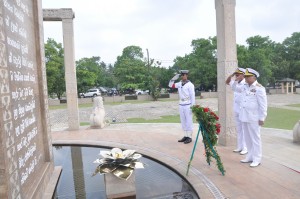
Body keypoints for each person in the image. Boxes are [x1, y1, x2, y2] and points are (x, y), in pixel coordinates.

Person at [232, 68, 267, 167]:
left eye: (248, 76)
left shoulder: (260, 89)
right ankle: (250, 156)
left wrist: (262, 118)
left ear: (254, 77)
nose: (246, 78)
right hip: (244, 116)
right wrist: (235, 80)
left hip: (254, 118)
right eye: (245, 76)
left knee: (255, 139)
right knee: (247, 138)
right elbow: (234, 88)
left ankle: (257, 158)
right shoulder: (244, 86)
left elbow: (263, 105)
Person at [168, 70, 195, 144]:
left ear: (187, 75)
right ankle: (185, 135)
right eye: (182, 75)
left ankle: (189, 137)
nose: (183, 76)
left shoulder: (190, 85)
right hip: (181, 104)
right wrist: (173, 79)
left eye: (184, 75)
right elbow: (170, 85)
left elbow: (192, 96)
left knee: (189, 121)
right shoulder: (179, 84)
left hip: (188, 104)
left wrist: (193, 106)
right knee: (183, 121)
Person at [226, 68, 248, 155]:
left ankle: (245, 148)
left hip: (243, 109)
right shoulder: (236, 82)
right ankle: (240, 146)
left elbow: (236, 88)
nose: (237, 76)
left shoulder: (245, 84)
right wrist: (231, 75)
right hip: (236, 109)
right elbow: (227, 82)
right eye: (236, 74)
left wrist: (236, 80)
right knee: (239, 129)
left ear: (243, 75)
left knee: (244, 129)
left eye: (238, 74)